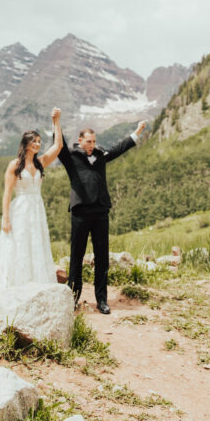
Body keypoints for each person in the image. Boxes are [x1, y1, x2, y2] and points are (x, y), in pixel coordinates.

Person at [58, 120, 146, 314]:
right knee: (76, 257)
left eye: (94, 142)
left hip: (100, 211)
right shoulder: (71, 157)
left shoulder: (100, 155)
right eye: (88, 142)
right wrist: (56, 122)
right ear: (80, 141)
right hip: (80, 212)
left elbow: (118, 149)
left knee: (102, 257)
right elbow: (60, 144)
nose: (92, 145)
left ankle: (102, 300)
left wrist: (137, 132)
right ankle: (73, 298)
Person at [0, 108, 63, 294]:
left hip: (37, 208)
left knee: (37, 243)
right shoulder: (14, 165)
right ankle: (16, 283)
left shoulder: (41, 162)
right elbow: (7, 193)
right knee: (20, 243)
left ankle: (36, 282)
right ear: (26, 143)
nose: (38, 144)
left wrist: (56, 122)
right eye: (34, 141)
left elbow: (58, 146)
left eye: (39, 142)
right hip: (21, 208)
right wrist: (5, 218)